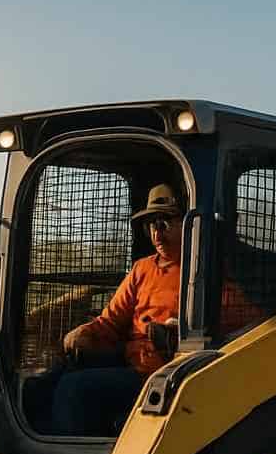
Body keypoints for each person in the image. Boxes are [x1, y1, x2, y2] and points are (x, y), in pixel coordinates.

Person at [47, 184, 186, 436]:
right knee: (52, 375)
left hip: (160, 375)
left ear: (186, 225)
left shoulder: (200, 271)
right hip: (129, 360)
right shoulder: (142, 269)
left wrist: (182, 332)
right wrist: (83, 333)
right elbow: (110, 321)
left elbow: (234, 321)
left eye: (165, 222)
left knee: (73, 388)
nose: (157, 232)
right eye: (152, 225)